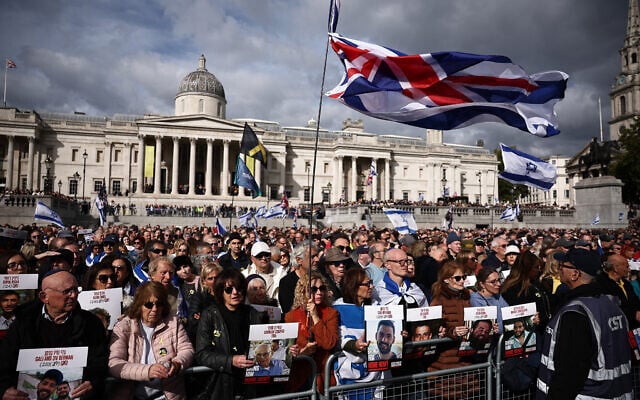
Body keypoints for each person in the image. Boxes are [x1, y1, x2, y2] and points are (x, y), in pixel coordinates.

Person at [536, 248, 633, 399]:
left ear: (575, 274)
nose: (559, 268)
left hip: (588, 394)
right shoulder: (611, 303)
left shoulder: (576, 313)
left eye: (563, 265)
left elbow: (570, 372)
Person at [0, 270, 109, 399]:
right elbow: (4, 361)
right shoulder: (23, 323)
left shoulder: (91, 323)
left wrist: (92, 382)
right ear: (44, 297)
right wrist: (4, 389)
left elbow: (99, 361)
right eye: (67, 291)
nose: (73, 295)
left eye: (76, 290)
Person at [109, 281, 194, 400]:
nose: (155, 309)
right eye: (149, 305)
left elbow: (187, 349)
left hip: (169, 395)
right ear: (139, 305)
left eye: (159, 304)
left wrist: (178, 363)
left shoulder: (173, 322)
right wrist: (147, 371)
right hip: (133, 395)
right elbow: (114, 364)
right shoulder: (123, 326)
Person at [195, 268, 267, 400]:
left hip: (251, 384)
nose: (235, 293)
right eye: (228, 289)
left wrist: (286, 350)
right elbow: (202, 353)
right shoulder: (210, 315)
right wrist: (230, 361)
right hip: (222, 384)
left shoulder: (253, 313)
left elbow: (265, 346)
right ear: (220, 292)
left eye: (239, 288)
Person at [332, 267, 384, 399]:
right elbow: (339, 338)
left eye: (371, 282)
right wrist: (353, 345)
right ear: (354, 287)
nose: (371, 286)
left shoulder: (377, 307)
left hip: (375, 372)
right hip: (350, 373)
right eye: (367, 284)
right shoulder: (338, 309)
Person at [285, 272, 339, 392]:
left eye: (322, 288)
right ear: (303, 292)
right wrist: (302, 352)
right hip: (300, 377)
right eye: (313, 289)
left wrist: (315, 317)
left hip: (323, 377)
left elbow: (329, 343)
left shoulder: (331, 313)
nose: (319, 292)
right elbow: (287, 350)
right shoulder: (291, 317)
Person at [597, 253, 640, 328]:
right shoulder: (601, 285)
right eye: (627, 267)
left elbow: (635, 301)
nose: (629, 269)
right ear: (615, 268)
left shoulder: (626, 284)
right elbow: (610, 309)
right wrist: (633, 315)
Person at [187, 261, 221, 342]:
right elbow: (193, 322)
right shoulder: (198, 298)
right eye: (210, 278)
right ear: (204, 281)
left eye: (217, 277)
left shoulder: (228, 296)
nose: (214, 281)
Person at [470, 267, 509, 333]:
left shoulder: (498, 296)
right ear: (482, 284)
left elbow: (508, 315)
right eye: (493, 282)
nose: (499, 284)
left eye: (499, 280)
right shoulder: (475, 299)